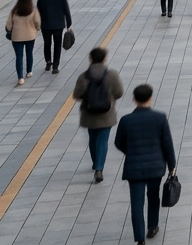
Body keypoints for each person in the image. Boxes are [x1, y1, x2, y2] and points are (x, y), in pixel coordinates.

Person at [114, 84, 176, 244]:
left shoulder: (126, 120)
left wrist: (131, 152)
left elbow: (118, 142)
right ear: (150, 98)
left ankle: (140, 238)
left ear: (134, 99)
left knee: (136, 202)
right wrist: (172, 165)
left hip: (134, 167)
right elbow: (167, 144)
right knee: (153, 196)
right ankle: (153, 226)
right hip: (155, 167)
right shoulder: (160, 118)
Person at [72, 47, 124, 183]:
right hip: (106, 113)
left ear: (90, 59)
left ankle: (96, 163)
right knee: (103, 139)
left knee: (93, 138)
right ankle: (99, 168)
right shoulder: (111, 75)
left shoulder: (83, 76)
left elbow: (76, 95)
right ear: (104, 59)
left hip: (89, 113)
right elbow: (119, 93)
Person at [36, 0, 72, 74]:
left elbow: (38, 12)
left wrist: (37, 24)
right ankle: (55, 66)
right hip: (58, 25)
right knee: (57, 45)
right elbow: (66, 11)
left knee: (47, 44)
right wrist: (69, 24)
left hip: (45, 25)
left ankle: (48, 62)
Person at [5, 0, 39, 85]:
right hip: (30, 36)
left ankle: (20, 77)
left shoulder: (14, 11)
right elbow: (37, 23)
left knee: (19, 57)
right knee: (29, 53)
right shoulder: (33, 10)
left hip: (17, 37)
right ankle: (29, 72)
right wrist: (36, 29)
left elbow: (8, 25)